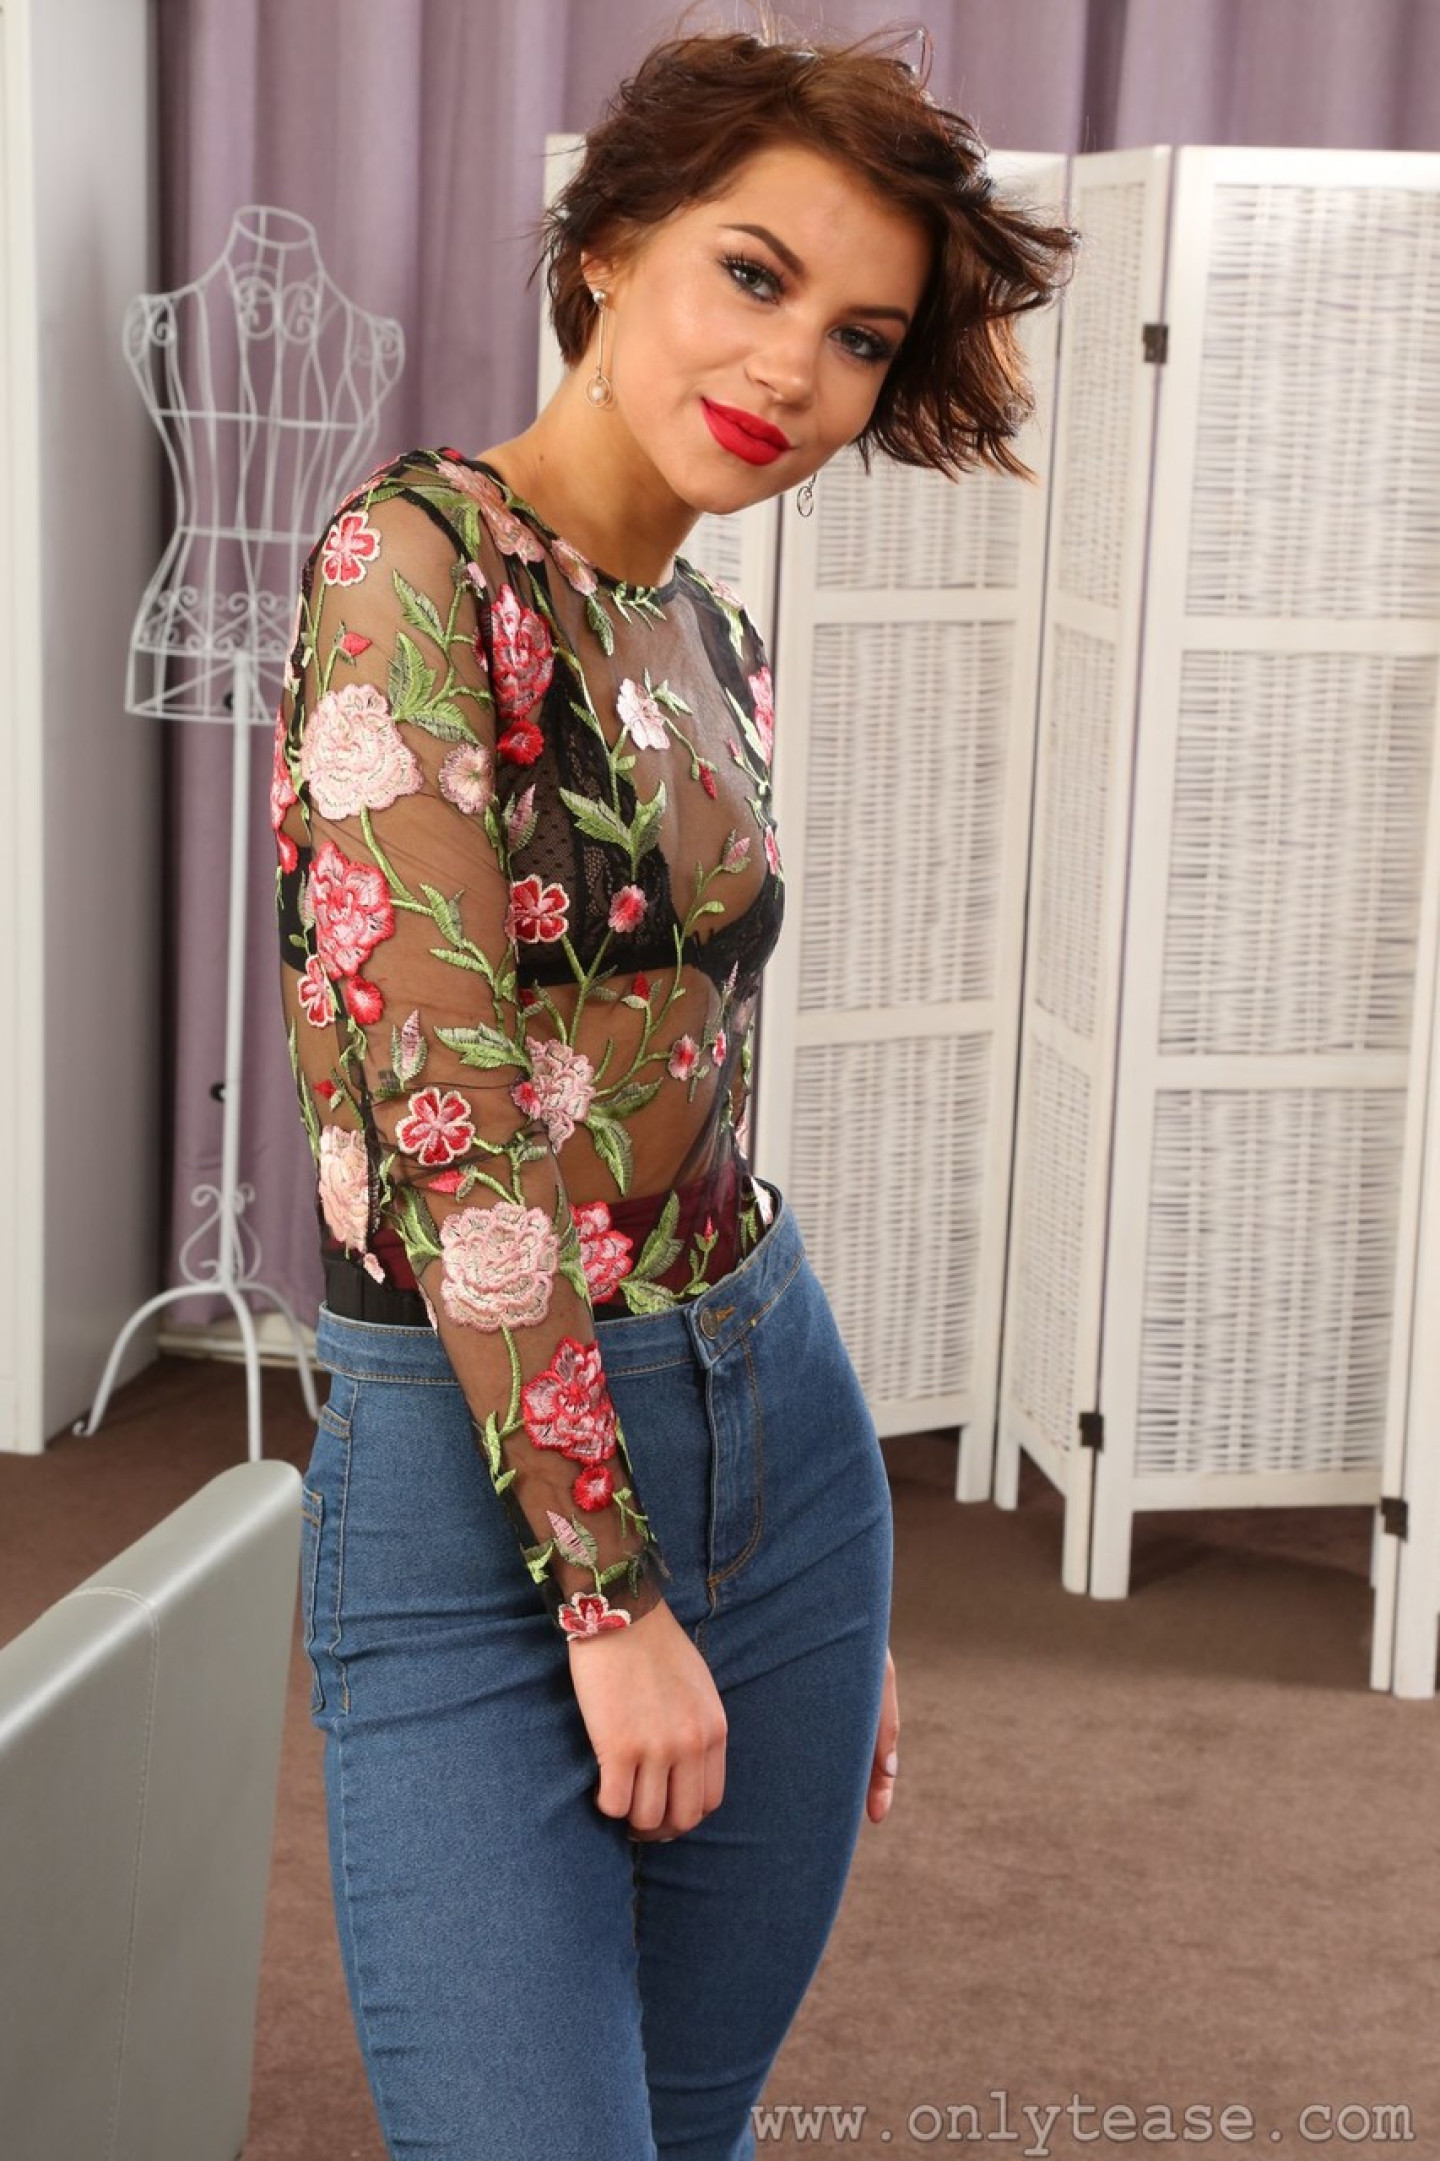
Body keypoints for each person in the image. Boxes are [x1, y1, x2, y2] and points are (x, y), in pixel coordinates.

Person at [275, 22, 1076, 2160]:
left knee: (685, 2128)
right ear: (612, 243)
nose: (795, 367)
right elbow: (451, 1122)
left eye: (861, 335)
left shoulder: (710, 634)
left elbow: (690, 1083)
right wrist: (615, 1591)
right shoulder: (411, 564)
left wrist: (802, 1564)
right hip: (480, 1471)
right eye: (754, 274)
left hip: (768, 1415)